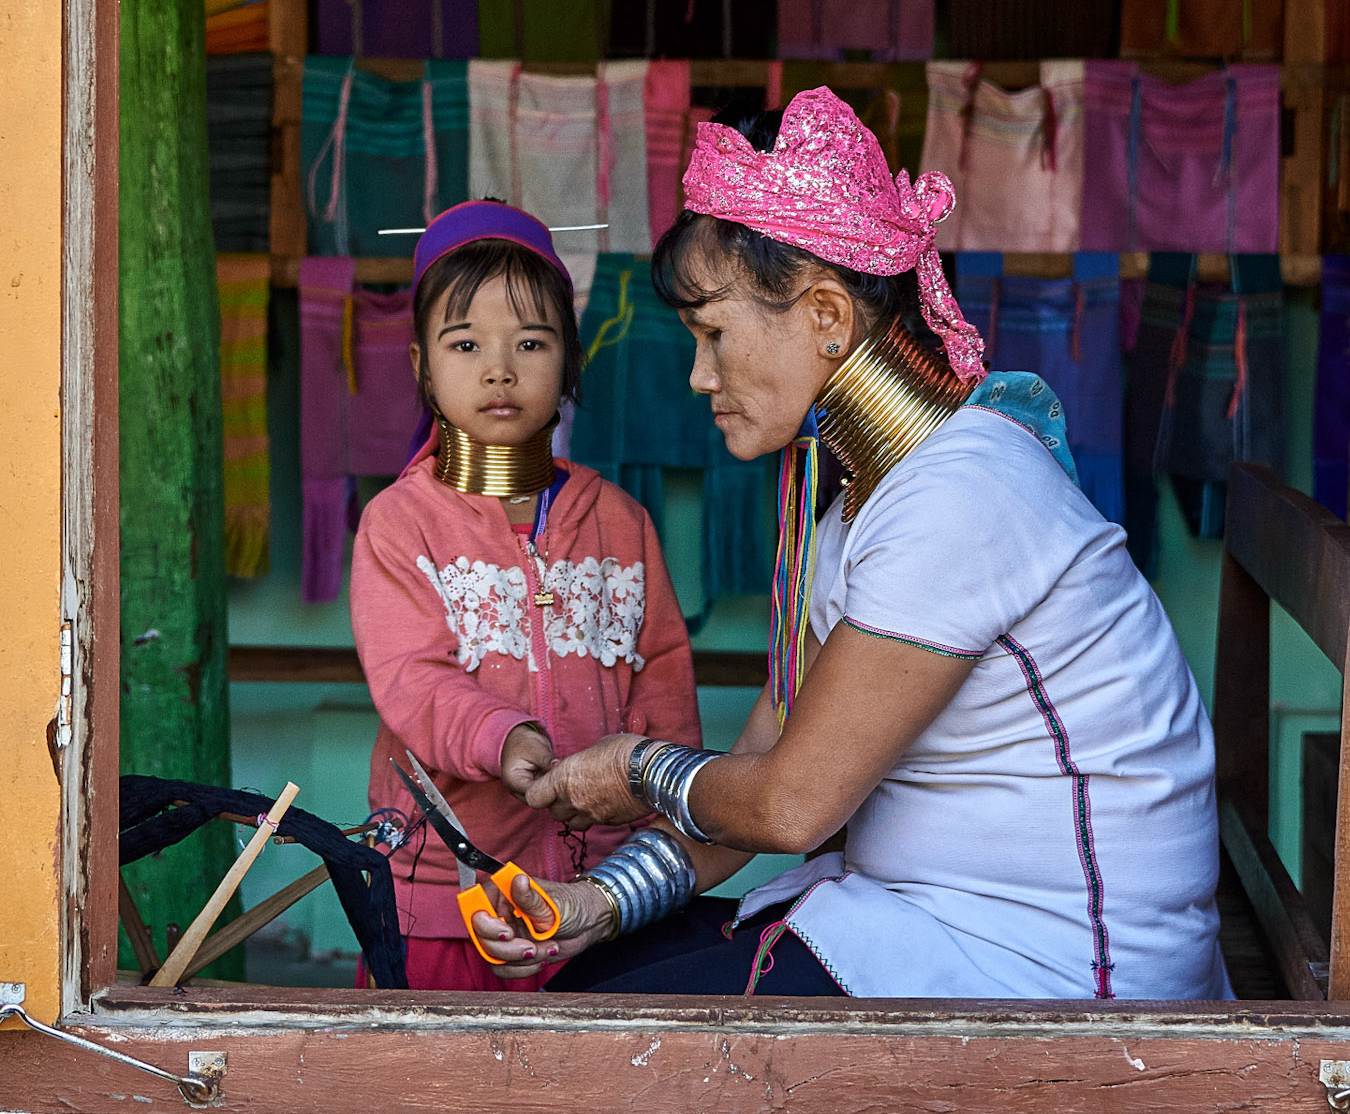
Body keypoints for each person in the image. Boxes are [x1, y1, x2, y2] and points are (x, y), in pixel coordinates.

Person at [472, 89, 1230, 1001]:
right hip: (947, 921)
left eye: (714, 333)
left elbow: (790, 805)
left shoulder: (960, 492)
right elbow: (768, 755)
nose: (698, 374)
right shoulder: (861, 506)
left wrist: (637, 769)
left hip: (1063, 968)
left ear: (828, 317)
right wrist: (598, 901)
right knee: (594, 980)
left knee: (598, 1028)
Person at [349, 199, 699, 990]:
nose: (499, 369)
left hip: (596, 900)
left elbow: (665, 693)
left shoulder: (623, 524)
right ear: (421, 368)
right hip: (441, 901)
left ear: (572, 363)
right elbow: (412, 678)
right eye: (465, 343)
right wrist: (502, 739)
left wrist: (651, 832)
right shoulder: (400, 525)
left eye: (531, 343)